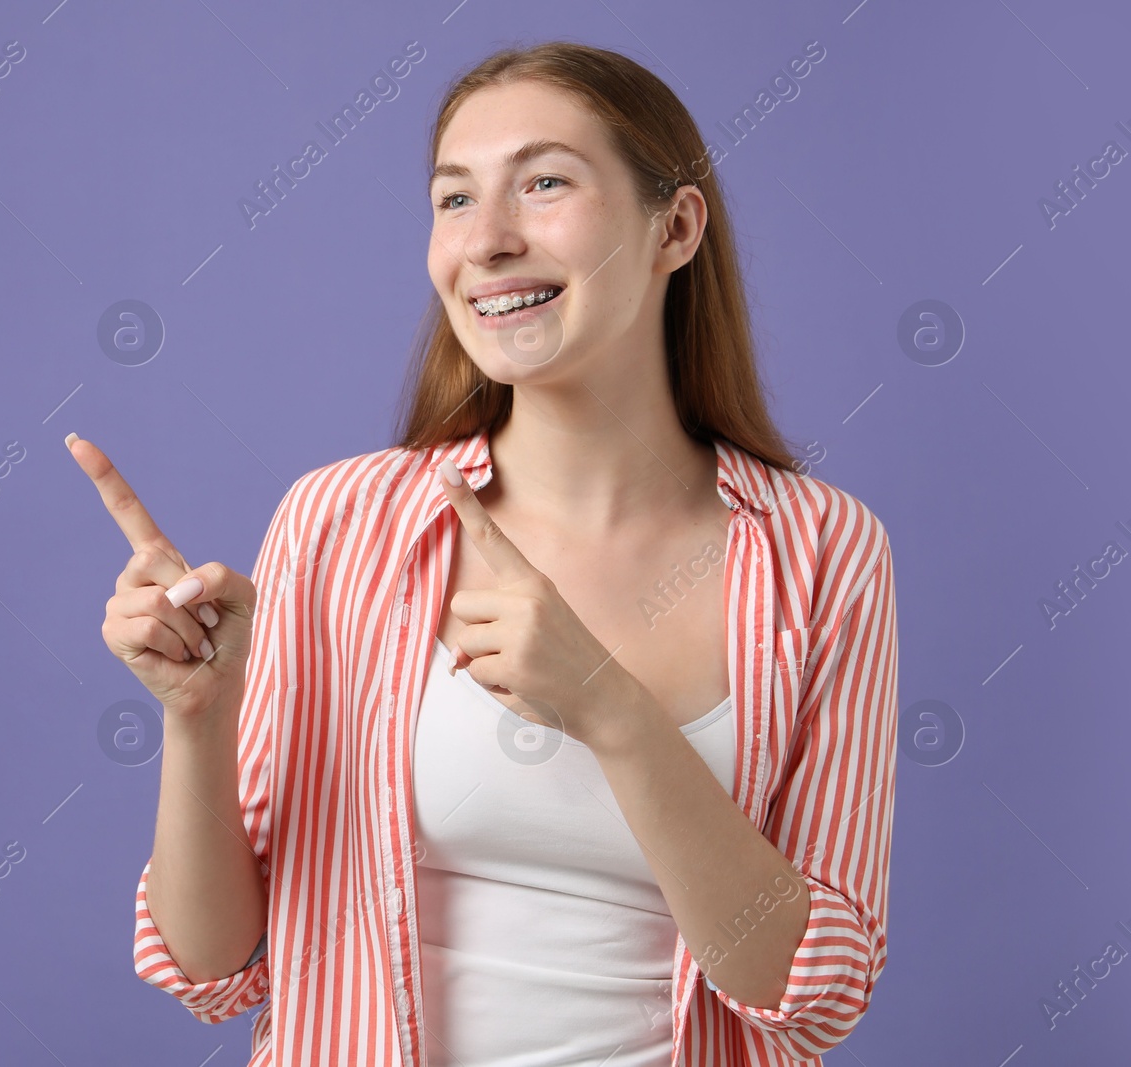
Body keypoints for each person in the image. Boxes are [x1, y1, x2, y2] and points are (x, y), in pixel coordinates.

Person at [70, 40, 898, 1067]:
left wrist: (607, 706)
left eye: (544, 182)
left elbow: (812, 994)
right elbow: (216, 966)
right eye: (453, 200)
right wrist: (199, 720)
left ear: (673, 228)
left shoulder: (821, 551)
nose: (488, 241)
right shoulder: (343, 523)